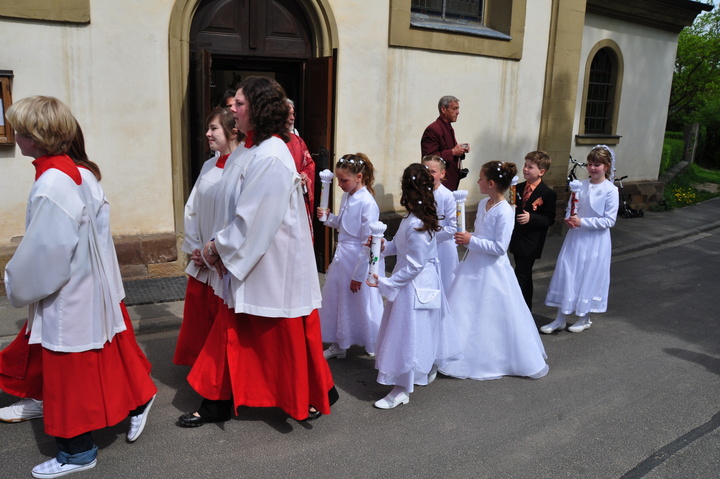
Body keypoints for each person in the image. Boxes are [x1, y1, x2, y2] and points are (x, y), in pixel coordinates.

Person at [4, 96, 156, 478]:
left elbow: (46, 254)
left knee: (68, 370)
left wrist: (15, 282)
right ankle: (98, 411)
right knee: (82, 360)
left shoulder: (53, 183)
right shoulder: (78, 172)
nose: (16, 135)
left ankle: (77, 453)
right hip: (87, 284)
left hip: (68, 292)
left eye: (20, 129)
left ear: (35, 137)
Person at [177, 77, 336, 427]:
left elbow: (252, 222)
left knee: (271, 335)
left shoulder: (270, 156)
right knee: (238, 333)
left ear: (260, 110)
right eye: (232, 103)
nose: (233, 109)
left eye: (240, 104)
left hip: (269, 263)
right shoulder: (252, 150)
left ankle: (228, 401)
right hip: (253, 261)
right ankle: (309, 391)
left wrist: (217, 248)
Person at [439, 161, 548, 381]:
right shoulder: (482, 204)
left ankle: (493, 357)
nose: (477, 181)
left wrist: (472, 240)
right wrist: (468, 238)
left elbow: (499, 248)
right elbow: (481, 233)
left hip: (492, 269)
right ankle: (453, 350)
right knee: (464, 308)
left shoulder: (505, 211)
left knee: (491, 313)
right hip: (473, 265)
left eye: (480, 178)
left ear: (490, 183)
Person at [367, 163, 462, 409]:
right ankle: (405, 380)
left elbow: (415, 264)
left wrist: (388, 283)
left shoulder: (419, 223)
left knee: (408, 335)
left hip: (414, 286)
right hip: (410, 282)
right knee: (404, 334)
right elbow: (399, 247)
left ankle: (402, 388)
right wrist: (379, 245)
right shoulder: (411, 219)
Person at [173, 107, 241, 366]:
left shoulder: (244, 166)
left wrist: (217, 250)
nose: (207, 133)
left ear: (232, 131)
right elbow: (193, 208)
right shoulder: (208, 165)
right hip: (203, 257)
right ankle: (200, 365)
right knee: (200, 317)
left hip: (223, 259)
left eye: (214, 128)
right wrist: (195, 248)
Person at [541, 145, 619, 334]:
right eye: (590, 164)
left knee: (588, 274)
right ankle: (560, 318)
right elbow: (571, 208)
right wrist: (569, 219)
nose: (592, 168)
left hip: (595, 240)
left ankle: (584, 317)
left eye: (597, 165)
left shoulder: (610, 190)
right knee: (567, 272)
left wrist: (582, 222)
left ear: (606, 166)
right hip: (575, 237)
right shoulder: (580, 186)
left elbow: (609, 220)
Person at [317, 153, 383, 359]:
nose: (340, 184)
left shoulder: (367, 203)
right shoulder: (348, 196)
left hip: (357, 259)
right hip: (342, 255)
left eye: (344, 180)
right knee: (339, 298)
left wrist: (358, 274)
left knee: (362, 300)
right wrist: (328, 218)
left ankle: (372, 340)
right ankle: (340, 342)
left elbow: (367, 242)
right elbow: (345, 226)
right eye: (338, 179)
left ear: (359, 177)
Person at [509, 151, 557, 311]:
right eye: (525, 165)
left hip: (532, 241)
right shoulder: (517, 188)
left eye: (530, 167)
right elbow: (511, 208)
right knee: (524, 275)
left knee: (521, 274)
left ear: (541, 172)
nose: (525, 169)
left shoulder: (548, 193)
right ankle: (524, 308)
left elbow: (549, 219)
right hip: (517, 238)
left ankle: (521, 309)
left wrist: (532, 218)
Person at [422, 154, 459, 292]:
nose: (428, 175)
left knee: (444, 282)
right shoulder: (421, 194)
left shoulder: (447, 196)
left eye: (432, 171)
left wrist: (430, 237)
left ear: (442, 173)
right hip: (424, 245)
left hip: (442, 246)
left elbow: (453, 226)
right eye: (425, 170)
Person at [420, 95, 470, 191]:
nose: (458, 112)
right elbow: (428, 158)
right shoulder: (433, 129)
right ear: (443, 109)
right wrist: (453, 152)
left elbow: (448, 149)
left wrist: (461, 150)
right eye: (454, 109)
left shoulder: (447, 127)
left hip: (450, 181)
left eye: (458, 109)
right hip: (439, 184)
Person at [286, 99, 315, 237]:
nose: (292, 118)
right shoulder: (265, 141)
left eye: (293, 114)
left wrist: (304, 175)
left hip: (297, 198)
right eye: (288, 114)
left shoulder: (298, 141)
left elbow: (309, 164)